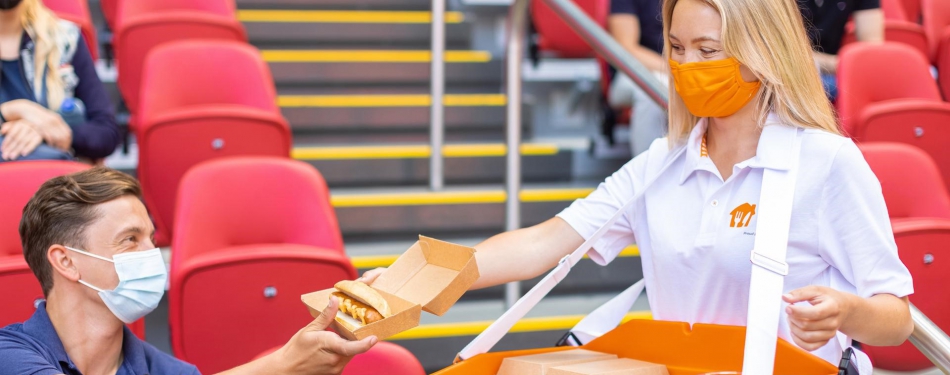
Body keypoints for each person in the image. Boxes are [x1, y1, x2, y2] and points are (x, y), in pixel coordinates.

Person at [364, 0, 914, 372]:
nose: (685, 66)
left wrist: (846, 312)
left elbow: (897, 316)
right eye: (676, 47)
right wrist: (414, 282)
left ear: (764, 53)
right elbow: (544, 241)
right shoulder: (661, 164)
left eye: (708, 50)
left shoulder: (827, 161)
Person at [0, 167, 377, 374]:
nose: (151, 253)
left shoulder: (169, 370)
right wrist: (280, 365)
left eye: (151, 238)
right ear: (66, 261)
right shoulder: (9, 353)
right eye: (130, 239)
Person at [0, 0, 120, 162]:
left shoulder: (64, 39)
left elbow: (106, 134)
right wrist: (12, 111)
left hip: (56, 179)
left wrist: (48, 131)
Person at [607, 0, 668, 156]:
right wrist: (674, 70)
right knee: (653, 91)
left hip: (678, 69)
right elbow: (627, 48)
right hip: (633, 73)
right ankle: (648, 173)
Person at [799, 0, 884, 100]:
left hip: (832, 72)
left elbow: (872, 49)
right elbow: (787, 55)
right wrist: (841, 65)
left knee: (879, 83)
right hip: (790, 68)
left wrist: (844, 66)